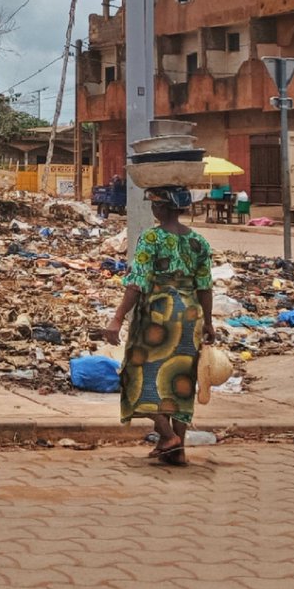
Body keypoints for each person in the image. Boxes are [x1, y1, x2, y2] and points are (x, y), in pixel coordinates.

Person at [103, 185, 214, 465]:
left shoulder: (151, 238)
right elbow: (205, 286)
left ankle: (167, 436)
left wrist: (117, 318)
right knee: (180, 382)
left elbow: (137, 282)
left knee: (136, 375)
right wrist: (209, 323)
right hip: (190, 317)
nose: (153, 208)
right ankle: (178, 450)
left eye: (155, 204)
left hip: (158, 314)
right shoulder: (199, 242)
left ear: (162, 208)